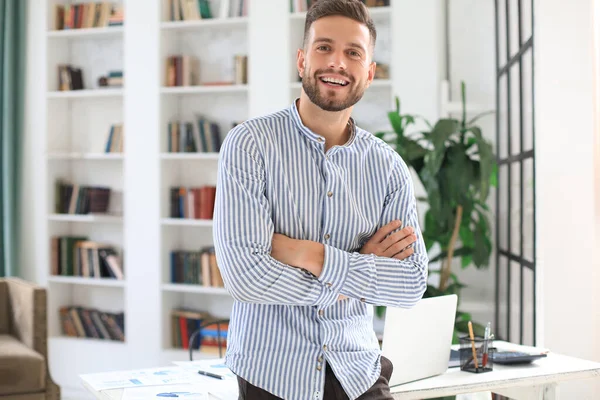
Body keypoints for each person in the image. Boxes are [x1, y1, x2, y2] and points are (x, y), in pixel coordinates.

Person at [213, 0, 429, 398]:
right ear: (302, 59)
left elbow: (411, 283)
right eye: (324, 47)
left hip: (358, 370)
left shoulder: (388, 167)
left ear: (369, 72)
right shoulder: (250, 146)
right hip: (272, 374)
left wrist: (310, 255)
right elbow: (244, 277)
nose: (337, 63)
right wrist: (361, 268)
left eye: (353, 52)